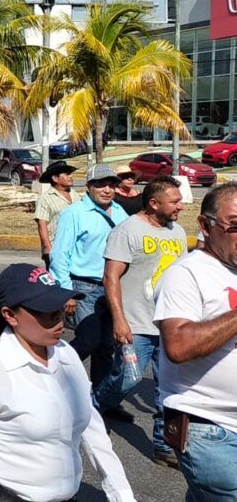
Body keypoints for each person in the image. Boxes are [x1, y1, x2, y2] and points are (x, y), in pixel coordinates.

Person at [0, 263, 136, 502]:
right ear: (10, 315)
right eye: (45, 310)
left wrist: (123, 496)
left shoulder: (66, 355)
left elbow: (92, 430)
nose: (59, 317)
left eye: (59, 306)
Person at [95, 176, 186, 467]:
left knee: (169, 388)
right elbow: (110, 277)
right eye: (175, 201)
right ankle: (93, 408)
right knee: (127, 378)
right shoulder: (128, 230)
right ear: (154, 203)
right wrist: (120, 320)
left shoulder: (179, 232)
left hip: (170, 325)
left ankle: (162, 445)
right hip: (136, 324)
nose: (180, 207)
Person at [155, 182, 237, 499]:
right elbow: (178, 345)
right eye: (235, 226)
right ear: (205, 225)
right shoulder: (186, 273)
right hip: (211, 428)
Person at [50, 164, 129, 389]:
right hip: (84, 287)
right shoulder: (74, 213)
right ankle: (54, 376)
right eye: (100, 185)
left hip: (112, 287)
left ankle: (100, 399)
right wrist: (67, 292)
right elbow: (59, 254)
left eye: (111, 185)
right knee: (88, 340)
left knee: (106, 346)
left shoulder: (120, 211)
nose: (107, 190)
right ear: (89, 187)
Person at [34, 160, 82, 268]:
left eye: (70, 173)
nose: (71, 176)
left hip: (76, 248)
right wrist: (47, 247)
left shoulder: (76, 195)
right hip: (56, 248)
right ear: (55, 178)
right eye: (66, 174)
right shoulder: (45, 199)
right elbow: (42, 224)